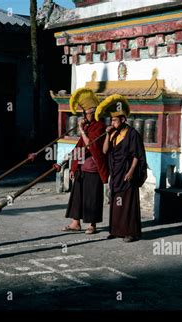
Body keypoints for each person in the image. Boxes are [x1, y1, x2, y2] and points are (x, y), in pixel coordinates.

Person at [98, 94, 147, 242]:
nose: (112, 122)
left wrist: (131, 171)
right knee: (116, 201)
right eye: (111, 120)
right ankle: (116, 230)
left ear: (123, 119)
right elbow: (105, 151)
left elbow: (137, 155)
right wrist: (107, 134)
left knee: (128, 203)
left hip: (127, 172)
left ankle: (130, 232)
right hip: (116, 173)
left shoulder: (132, 134)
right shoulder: (113, 134)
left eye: (115, 120)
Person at [63, 88, 109, 234]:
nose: (85, 116)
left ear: (95, 113)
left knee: (92, 197)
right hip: (82, 168)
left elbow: (91, 145)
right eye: (84, 113)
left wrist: (81, 131)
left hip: (93, 168)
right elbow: (79, 147)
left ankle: (92, 225)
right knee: (77, 196)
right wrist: (73, 167)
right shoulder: (88, 126)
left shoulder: (99, 126)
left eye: (87, 113)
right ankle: (75, 222)